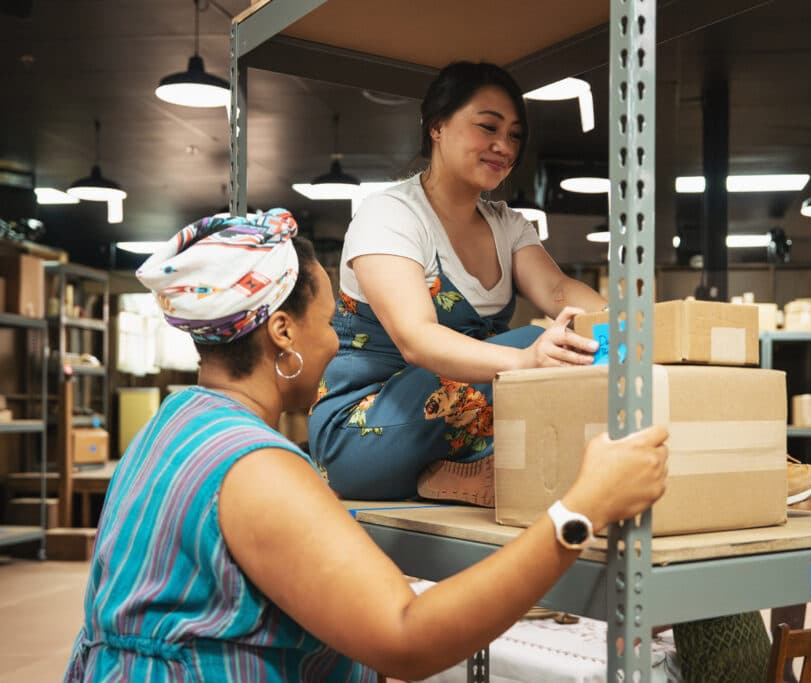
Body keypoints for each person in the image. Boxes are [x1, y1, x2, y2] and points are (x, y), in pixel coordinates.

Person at [63, 210, 670, 682]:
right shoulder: (254, 469)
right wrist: (582, 508)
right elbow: (408, 638)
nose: (334, 345)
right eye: (329, 324)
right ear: (282, 331)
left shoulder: (174, 426)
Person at [308, 61, 607, 505]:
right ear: (437, 127)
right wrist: (527, 360)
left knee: (582, 340)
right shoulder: (390, 214)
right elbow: (417, 339)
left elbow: (560, 292)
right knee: (540, 341)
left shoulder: (508, 224)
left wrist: (628, 327)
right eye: (488, 127)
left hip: (452, 433)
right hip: (362, 435)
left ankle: (451, 475)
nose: (503, 146)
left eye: (515, 135)